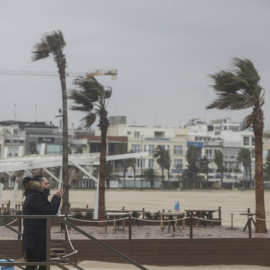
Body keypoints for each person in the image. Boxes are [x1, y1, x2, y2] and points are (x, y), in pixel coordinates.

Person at [22, 175, 65, 270]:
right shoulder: (34, 197)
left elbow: (49, 211)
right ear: (38, 184)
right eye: (46, 183)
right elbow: (49, 212)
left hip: (39, 236)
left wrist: (56, 197)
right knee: (33, 265)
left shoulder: (38, 196)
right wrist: (56, 197)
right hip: (34, 237)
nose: (49, 185)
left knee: (43, 264)